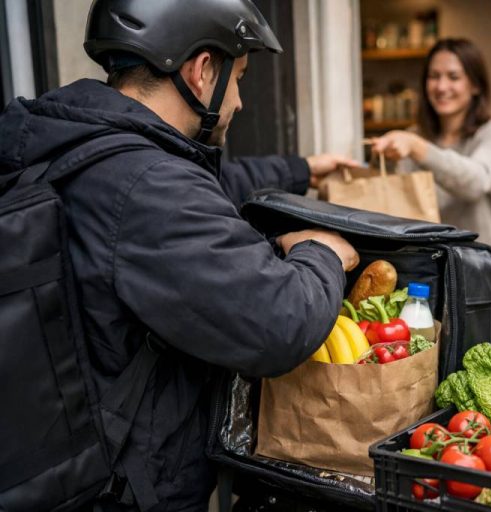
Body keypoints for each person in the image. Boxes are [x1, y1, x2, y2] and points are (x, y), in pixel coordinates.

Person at [0, 0, 359, 510]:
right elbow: (281, 320)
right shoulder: (150, 187)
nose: (240, 100)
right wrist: (321, 253)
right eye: (238, 78)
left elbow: (208, 189)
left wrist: (301, 168)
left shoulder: (82, 139)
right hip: (126, 491)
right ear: (202, 70)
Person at [371, 38, 491, 345]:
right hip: (434, 289)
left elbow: (474, 182)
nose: (442, 86)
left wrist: (418, 149)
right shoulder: (411, 138)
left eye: (453, 76)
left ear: (475, 85)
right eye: (434, 76)